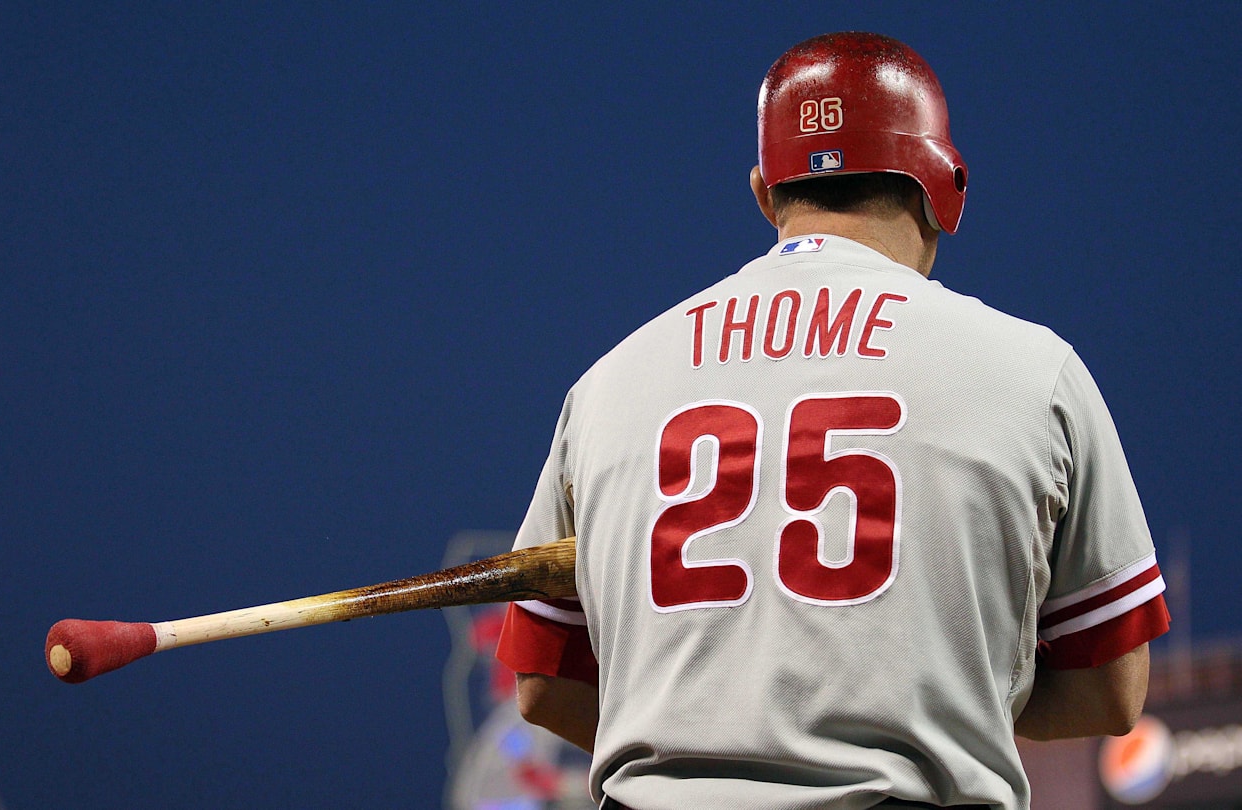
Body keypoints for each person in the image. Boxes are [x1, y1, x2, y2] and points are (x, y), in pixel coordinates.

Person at [495, 31, 1170, 810]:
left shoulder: (607, 385)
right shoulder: (1033, 372)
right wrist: (942, 706)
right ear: (940, 187)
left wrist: (713, 744)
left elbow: (543, 682)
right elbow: (1112, 690)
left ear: (765, 191)